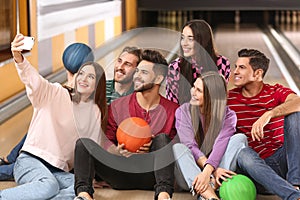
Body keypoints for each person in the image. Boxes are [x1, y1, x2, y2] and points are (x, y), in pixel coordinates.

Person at [0, 34, 107, 200]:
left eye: (91, 76)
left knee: (81, 190)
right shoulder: (53, 92)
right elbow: (32, 79)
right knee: (48, 185)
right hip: (31, 161)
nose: (85, 79)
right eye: (82, 74)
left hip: (59, 170)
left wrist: (91, 176)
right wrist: (18, 57)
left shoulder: (94, 112)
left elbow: (88, 149)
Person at [73, 49, 179, 200]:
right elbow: (106, 140)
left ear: (158, 79)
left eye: (144, 73)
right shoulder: (117, 106)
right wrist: (115, 150)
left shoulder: (173, 110)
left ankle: (163, 196)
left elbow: (176, 150)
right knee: (83, 144)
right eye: (137, 71)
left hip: (151, 175)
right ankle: (84, 195)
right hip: (120, 171)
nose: (137, 76)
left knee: (162, 139)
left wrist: (154, 148)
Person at [227, 48, 300, 200]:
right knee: (243, 153)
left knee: (295, 113)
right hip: (257, 170)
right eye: (235, 67)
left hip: (283, 160)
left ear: (257, 74)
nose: (235, 72)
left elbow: (298, 102)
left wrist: (270, 113)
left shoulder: (274, 91)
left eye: (241, 67)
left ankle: (295, 182)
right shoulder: (229, 99)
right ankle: (293, 196)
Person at [173, 71, 247, 200]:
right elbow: (190, 145)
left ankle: (208, 193)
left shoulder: (228, 115)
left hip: (218, 174)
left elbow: (221, 144)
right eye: (194, 87)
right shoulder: (183, 111)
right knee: (179, 148)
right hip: (190, 175)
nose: (193, 92)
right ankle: (211, 194)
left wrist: (209, 172)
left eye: (199, 91)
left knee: (240, 138)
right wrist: (210, 171)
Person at [166, 19, 231, 104]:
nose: (184, 43)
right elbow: (173, 105)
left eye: (190, 39)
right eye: (182, 38)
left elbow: (219, 100)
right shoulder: (175, 68)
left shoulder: (223, 63)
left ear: (203, 41)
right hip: (183, 116)